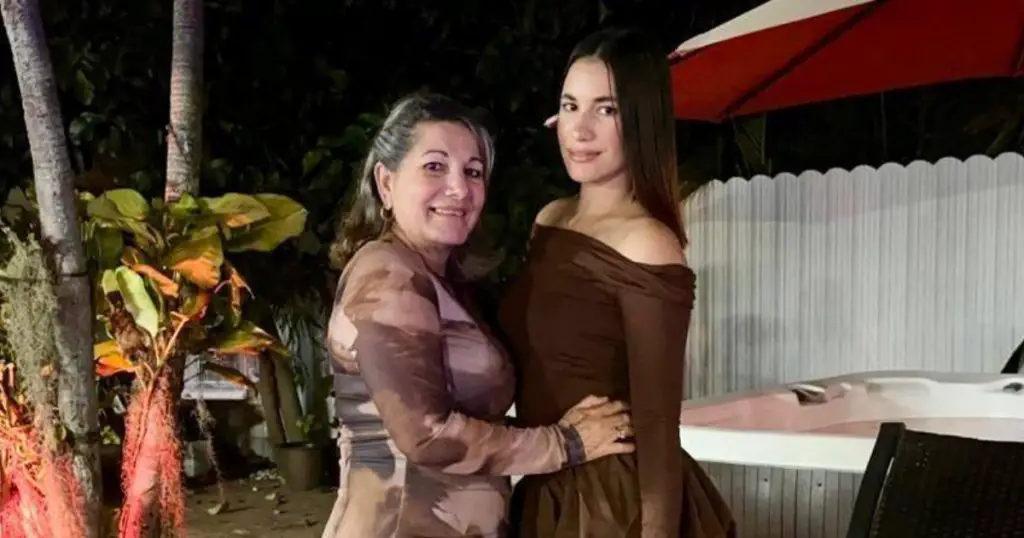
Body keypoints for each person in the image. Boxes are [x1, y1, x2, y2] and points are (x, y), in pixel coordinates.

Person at [321, 92, 636, 538]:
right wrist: (566, 443)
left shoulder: (443, 282)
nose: (458, 188)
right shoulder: (387, 275)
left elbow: (474, 421)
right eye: (434, 166)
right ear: (386, 183)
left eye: (473, 172)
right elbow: (427, 436)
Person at [499, 28, 736, 538]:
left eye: (606, 110)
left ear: (641, 121)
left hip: (610, 502)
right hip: (548, 485)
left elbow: (656, 420)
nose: (579, 129)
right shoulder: (550, 219)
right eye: (570, 106)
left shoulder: (647, 242)